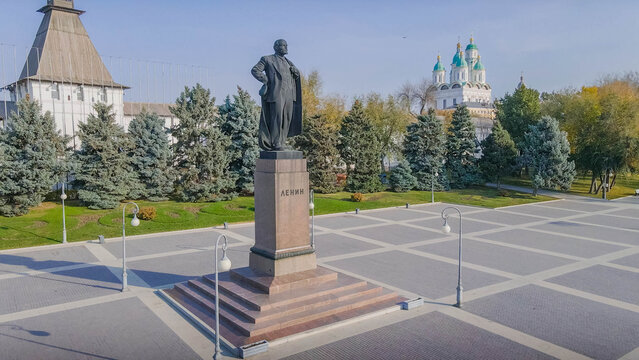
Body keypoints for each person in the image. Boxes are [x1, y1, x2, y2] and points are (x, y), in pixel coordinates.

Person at [251, 39, 302, 151]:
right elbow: (255, 70)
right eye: (283, 45)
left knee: (287, 118)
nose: (286, 47)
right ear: (276, 47)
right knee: (277, 118)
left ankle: (282, 142)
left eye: (286, 45)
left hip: (289, 94)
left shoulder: (289, 63)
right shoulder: (267, 59)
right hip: (276, 93)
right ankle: (276, 142)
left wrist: (296, 73)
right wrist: (265, 80)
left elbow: (296, 77)